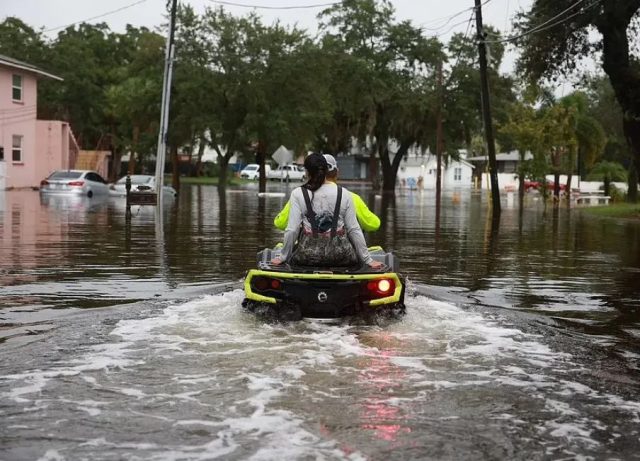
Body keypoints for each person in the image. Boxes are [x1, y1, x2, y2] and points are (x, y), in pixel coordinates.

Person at [271, 153, 383, 269]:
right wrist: (368, 260)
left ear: (307, 172)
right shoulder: (345, 194)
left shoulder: (298, 193)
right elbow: (354, 229)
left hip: (307, 257)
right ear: (326, 171)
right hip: (342, 257)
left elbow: (292, 230)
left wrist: (283, 257)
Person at [273, 154, 380, 232]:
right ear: (337, 172)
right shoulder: (351, 197)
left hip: (307, 252)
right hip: (343, 254)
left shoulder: (300, 195)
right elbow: (374, 224)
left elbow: (280, 223)